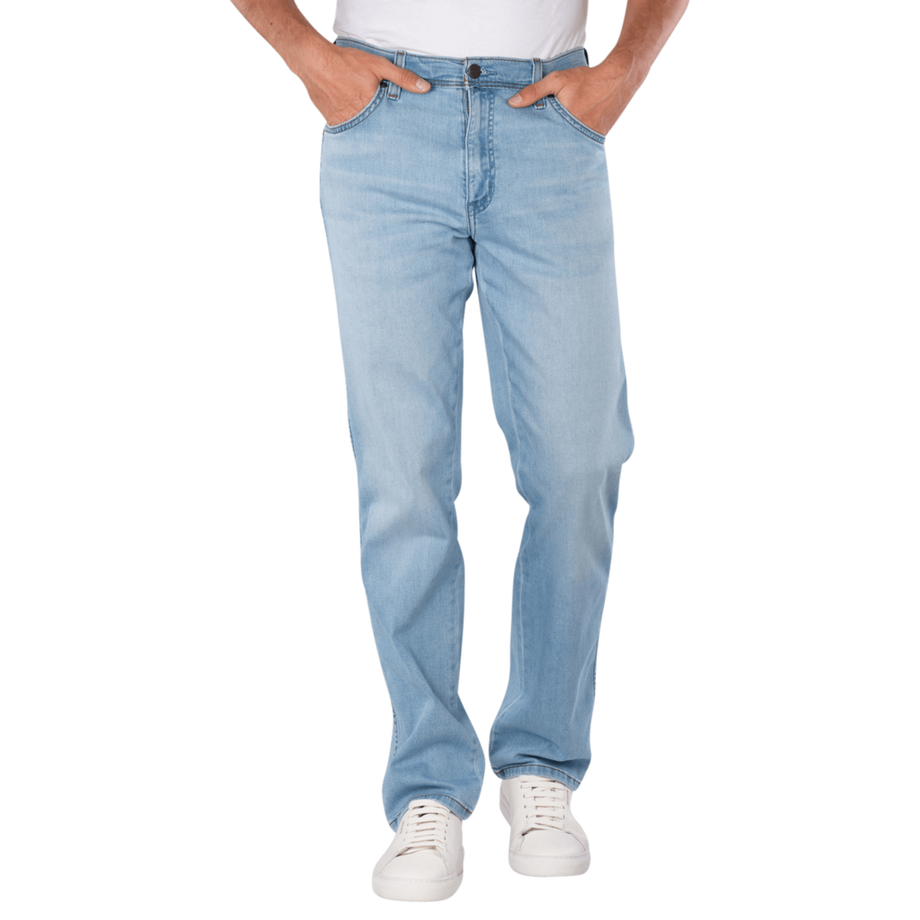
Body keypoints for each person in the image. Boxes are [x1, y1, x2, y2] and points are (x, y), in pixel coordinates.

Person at [228, 0, 690, 903]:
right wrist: (309, 57)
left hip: (548, 124)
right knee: (403, 475)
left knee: (580, 457)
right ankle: (429, 783)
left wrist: (625, 71)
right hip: (384, 124)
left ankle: (542, 765)